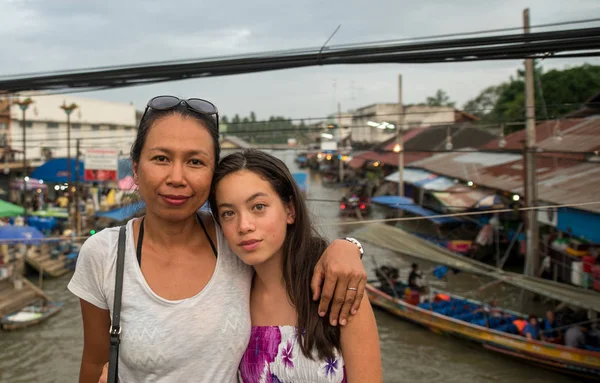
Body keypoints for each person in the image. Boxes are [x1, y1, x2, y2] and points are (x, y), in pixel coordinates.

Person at [69, 96, 367, 383]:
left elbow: (294, 248)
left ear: (212, 173)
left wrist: (348, 247)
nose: (176, 177)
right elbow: (95, 363)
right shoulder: (104, 254)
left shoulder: (234, 240)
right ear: (136, 168)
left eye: (195, 162)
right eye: (161, 158)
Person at [210, 150, 382, 382]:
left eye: (258, 207)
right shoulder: (230, 294)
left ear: (290, 210)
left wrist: (349, 245)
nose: (244, 225)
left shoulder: (337, 289)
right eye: (228, 213)